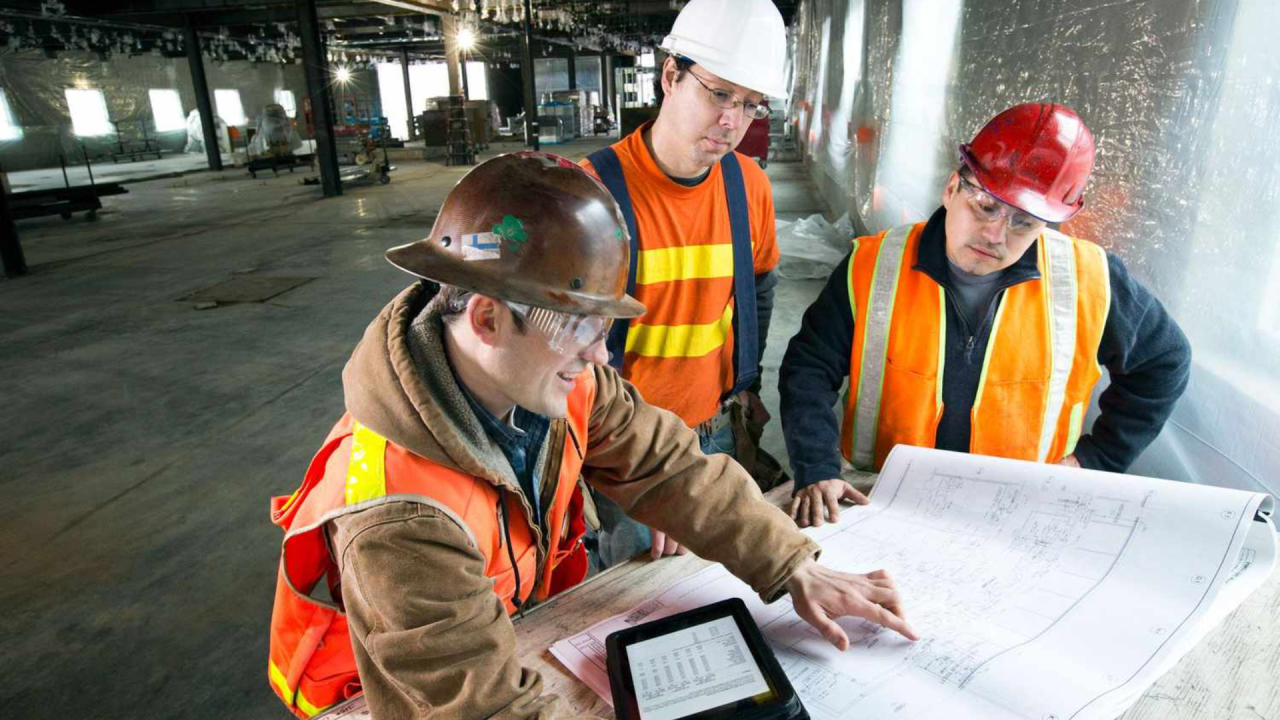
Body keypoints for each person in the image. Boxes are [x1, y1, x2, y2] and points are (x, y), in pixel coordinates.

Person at [266, 153, 918, 719]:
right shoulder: (398, 513)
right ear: (488, 319)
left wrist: (791, 565)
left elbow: (670, 469)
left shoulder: (554, 379)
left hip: (517, 632)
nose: (601, 357)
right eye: (578, 328)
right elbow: (480, 706)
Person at [779, 103, 1192, 528]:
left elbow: (1165, 361)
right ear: (952, 187)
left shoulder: (1090, 280)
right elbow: (809, 367)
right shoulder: (873, 264)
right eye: (985, 206)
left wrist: (1097, 459)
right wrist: (817, 466)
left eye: (1024, 222)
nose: (995, 235)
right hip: (880, 497)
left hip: (1022, 511)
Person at [581, 0, 789, 566]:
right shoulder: (590, 194)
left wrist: (746, 380)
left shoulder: (750, 187)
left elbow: (758, 290)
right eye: (719, 93)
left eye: (750, 105)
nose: (732, 121)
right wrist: (642, 476)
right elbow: (557, 343)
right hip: (622, 448)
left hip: (717, 429)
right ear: (671, 75)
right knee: (633, 607)